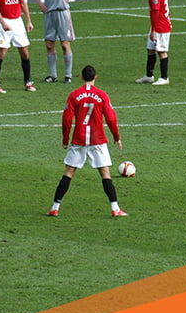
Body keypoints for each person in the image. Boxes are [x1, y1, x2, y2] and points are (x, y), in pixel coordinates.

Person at [46, 64, 128, 218]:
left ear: (81, 77)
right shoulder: (102, 95)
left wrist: (65, 139)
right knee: (105, 174)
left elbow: (67, 119)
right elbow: (111, 118)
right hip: (98, 140)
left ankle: (55, 207)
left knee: (69, 172)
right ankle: (115, 208)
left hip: (79, 139)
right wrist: (116, 137)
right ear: (95, 77)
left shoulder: (74, 95)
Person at [32, 0, 86, 84]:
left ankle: (68, 75)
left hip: (62, 12)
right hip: (49, 14)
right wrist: (40, 3)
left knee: (64, 43)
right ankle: (53, 75)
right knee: (49, 43)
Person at [135, 0, 172, 85]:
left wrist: (154, 30)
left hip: (160, 27)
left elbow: (156, 12)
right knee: (150, 49)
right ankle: (149, 75)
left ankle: (164, 78)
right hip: (157, 25)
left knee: (161, 51)